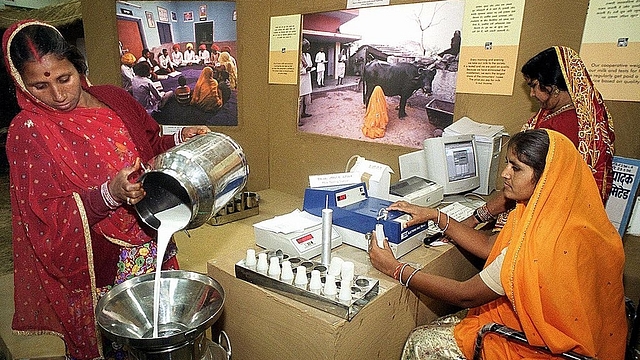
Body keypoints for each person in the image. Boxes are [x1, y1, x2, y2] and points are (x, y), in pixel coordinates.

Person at [2, 20, 210, 359]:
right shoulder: (29, 130)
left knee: (157, 332)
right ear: (20, 84)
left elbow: (148, 144)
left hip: (150, 235)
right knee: (117, 343)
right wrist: (109, 194)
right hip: (101, 260)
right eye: (39, 86)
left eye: (63, 78)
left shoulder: (113, 98)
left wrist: (176, 139)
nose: (57, 95)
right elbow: (44, 214)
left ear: (77, 65)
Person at [369, 129, 626, 359]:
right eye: (507, 163)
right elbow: (491, 246)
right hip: (598, 340)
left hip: (550, 352)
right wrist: (437, 216)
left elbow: (464, 294)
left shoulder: (537, 246)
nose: (505, 173)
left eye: (516, 168)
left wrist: (395, 267)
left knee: (421, 340)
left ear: (546, 178)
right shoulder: (574, 220)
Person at [465, 46, 615, 229]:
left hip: (544, 223)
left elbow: (529, 185)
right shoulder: (583, 117)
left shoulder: (560, 128)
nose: (532, 94)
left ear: (554, 86)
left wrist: (475, 217)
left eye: (534, 85)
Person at [299, 38, 313, 122]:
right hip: (301, 79)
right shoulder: (298, 56)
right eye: (307, 46)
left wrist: (309, 68)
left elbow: (310, 64)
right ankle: (298, 119)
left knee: (306, 98)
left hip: (307, 78)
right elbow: (298, 69)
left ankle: (304, 113)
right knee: (300, 100)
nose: (308, 48)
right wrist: (305, 70)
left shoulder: (308, 55)